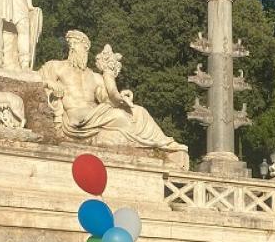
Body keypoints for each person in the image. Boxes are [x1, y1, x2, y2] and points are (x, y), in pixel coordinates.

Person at [39, 30, 187, 152]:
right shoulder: (56, 66)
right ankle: (147, 144)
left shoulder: (95, 77)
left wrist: (122, 97)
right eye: (72, 44)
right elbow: (36, 79)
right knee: (119, 116)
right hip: (76, 117)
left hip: (95, 113)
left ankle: (164, 144)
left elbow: (109, 99)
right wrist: (50, 83)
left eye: (80, 46)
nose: (74, 48)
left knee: (139, 111)